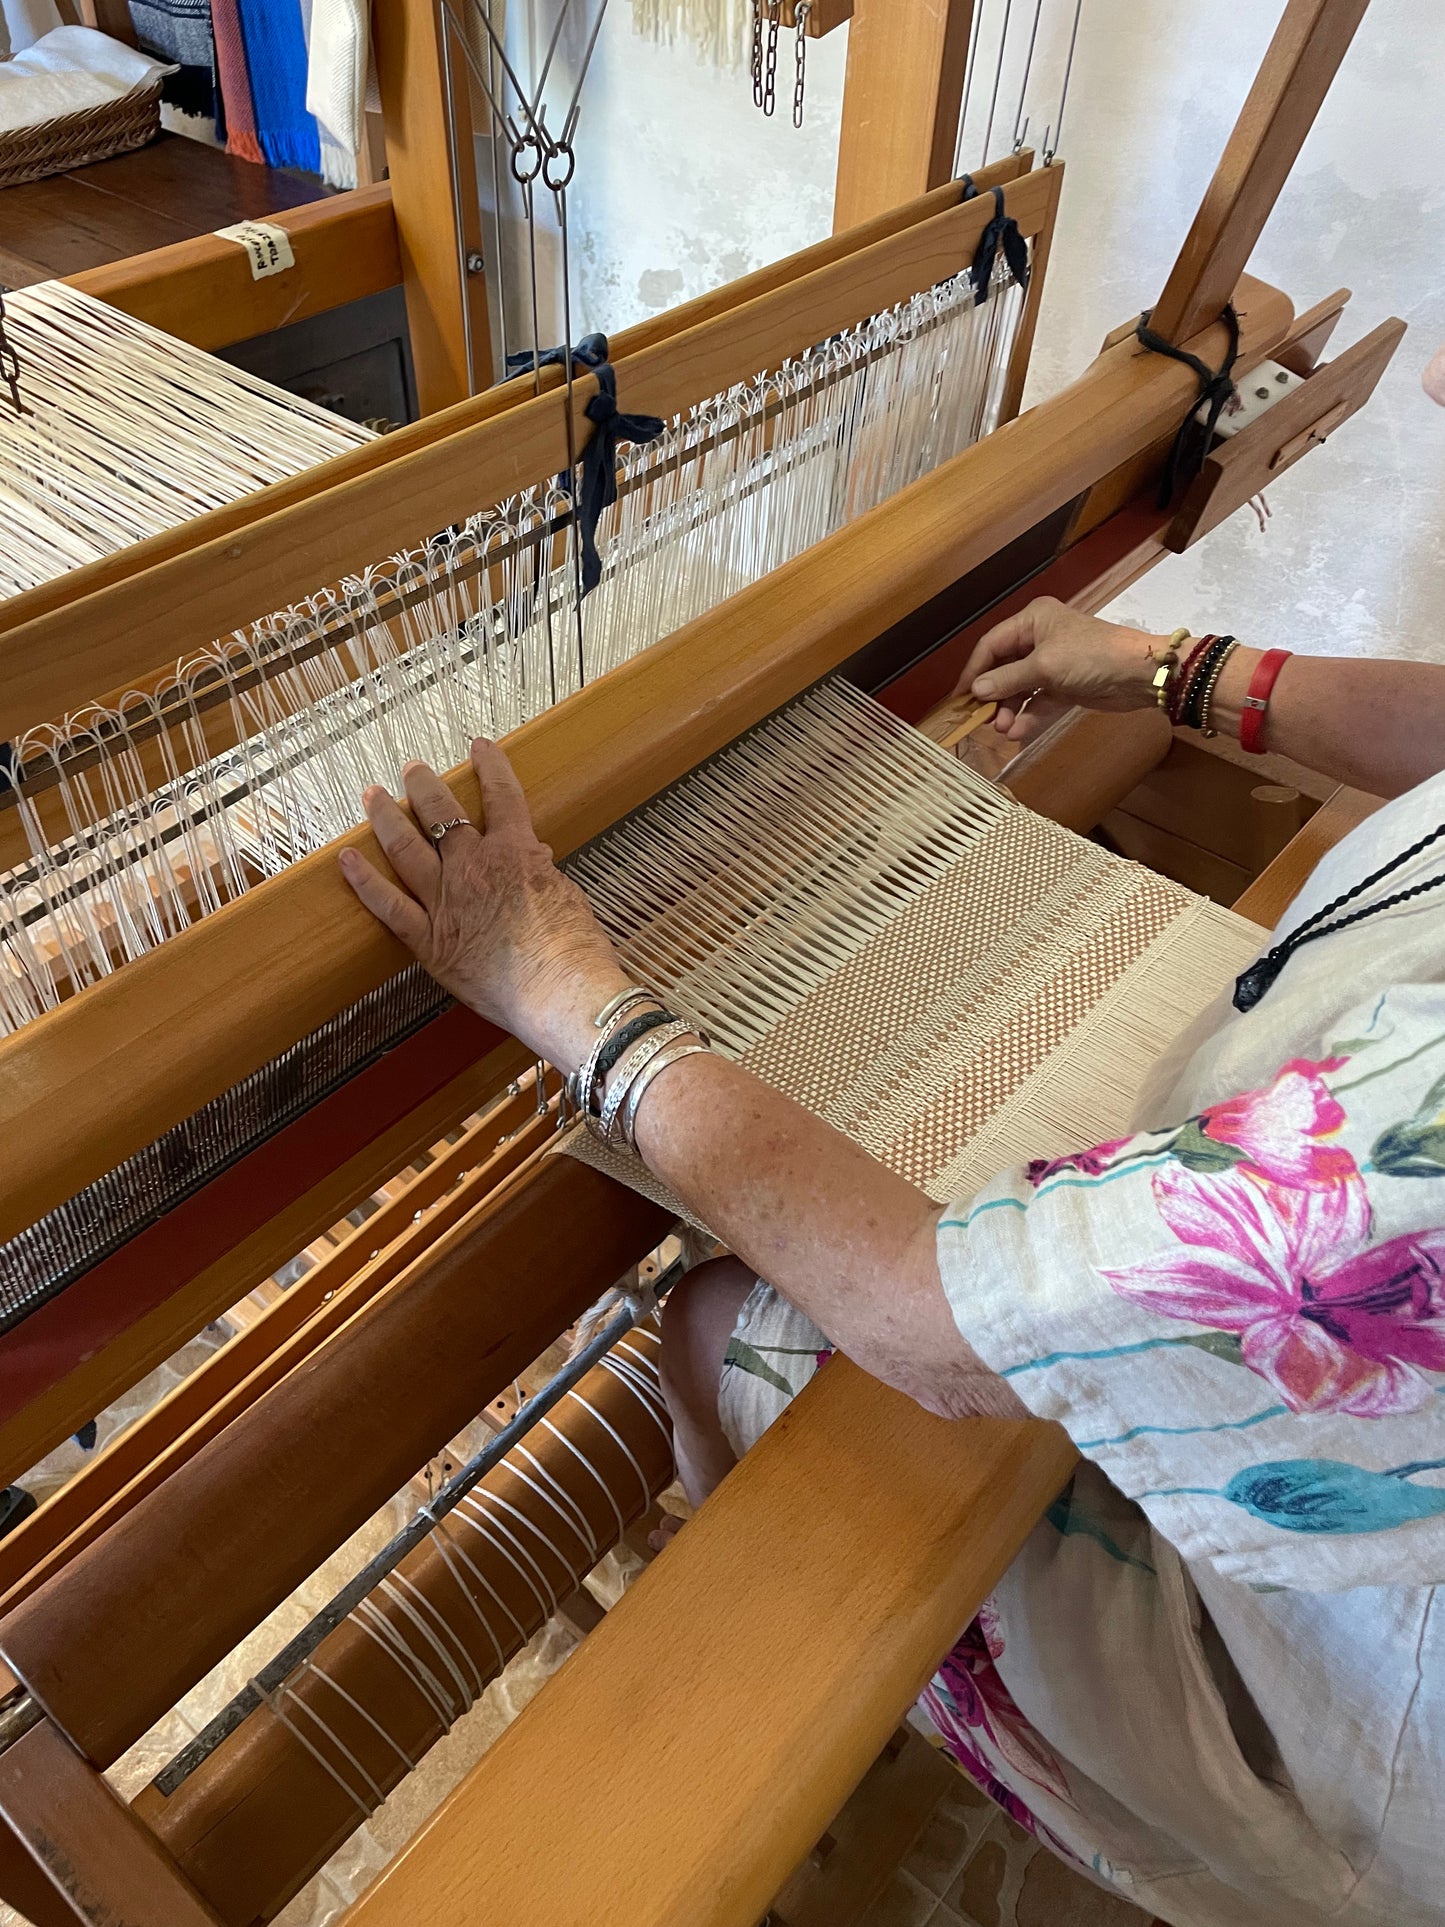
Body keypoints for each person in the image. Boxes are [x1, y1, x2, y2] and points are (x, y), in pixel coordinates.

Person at [339, 600, 1445, 1927]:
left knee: (709, 1320)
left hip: (1312, 1703)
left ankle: (758, 1643)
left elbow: (931, 1325)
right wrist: (1175, 671)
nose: (1432, 380)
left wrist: (567, 998)